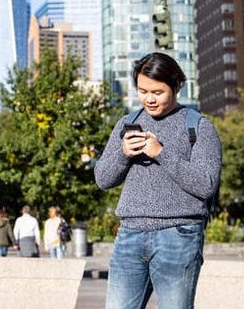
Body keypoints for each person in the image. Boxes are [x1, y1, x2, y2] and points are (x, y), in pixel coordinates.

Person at [94, 52, 222, 309]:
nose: (149, 99)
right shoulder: (126, 124)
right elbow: (102, 179)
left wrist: (161, 153)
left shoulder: (199, 127)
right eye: (143, 91)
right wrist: (123, 154)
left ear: (176, 87)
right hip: (129, 234)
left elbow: (207, 185)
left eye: (157, 92)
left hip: (178, 235)